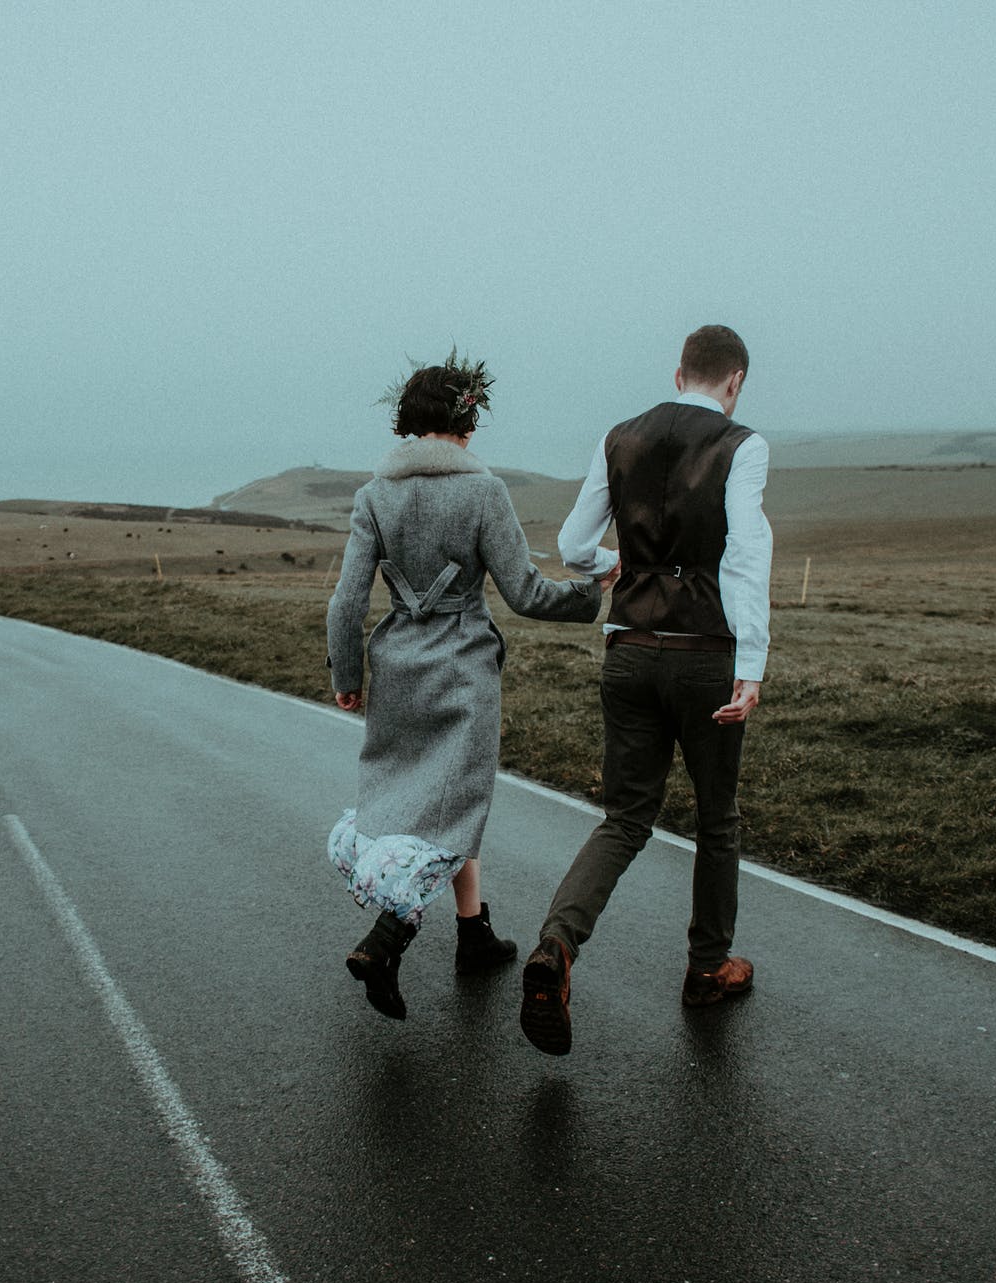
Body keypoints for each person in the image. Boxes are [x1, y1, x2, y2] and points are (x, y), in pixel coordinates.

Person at [327, 350, 607, 1020]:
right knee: (455, 808)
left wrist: (346, 676)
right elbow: (526, 593)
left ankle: (474, 934)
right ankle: (386, 939)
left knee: (428, 803)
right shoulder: (484, 492)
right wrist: (593, 593)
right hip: (462, 670)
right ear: (466, 420)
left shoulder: (374, 496)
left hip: (395, 668)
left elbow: (344, 604)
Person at [519, 325, 773, 1056]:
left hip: (627, 652)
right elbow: (745, 556)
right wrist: (749, 665)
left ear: (677, 373)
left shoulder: (619, 437)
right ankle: (705, 968)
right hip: (704, 658)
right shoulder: (742, 445)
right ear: (735, 381)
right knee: (715, 819)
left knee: (624, 819)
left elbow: (571, 547)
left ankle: (557, 946)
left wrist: (625, 568)